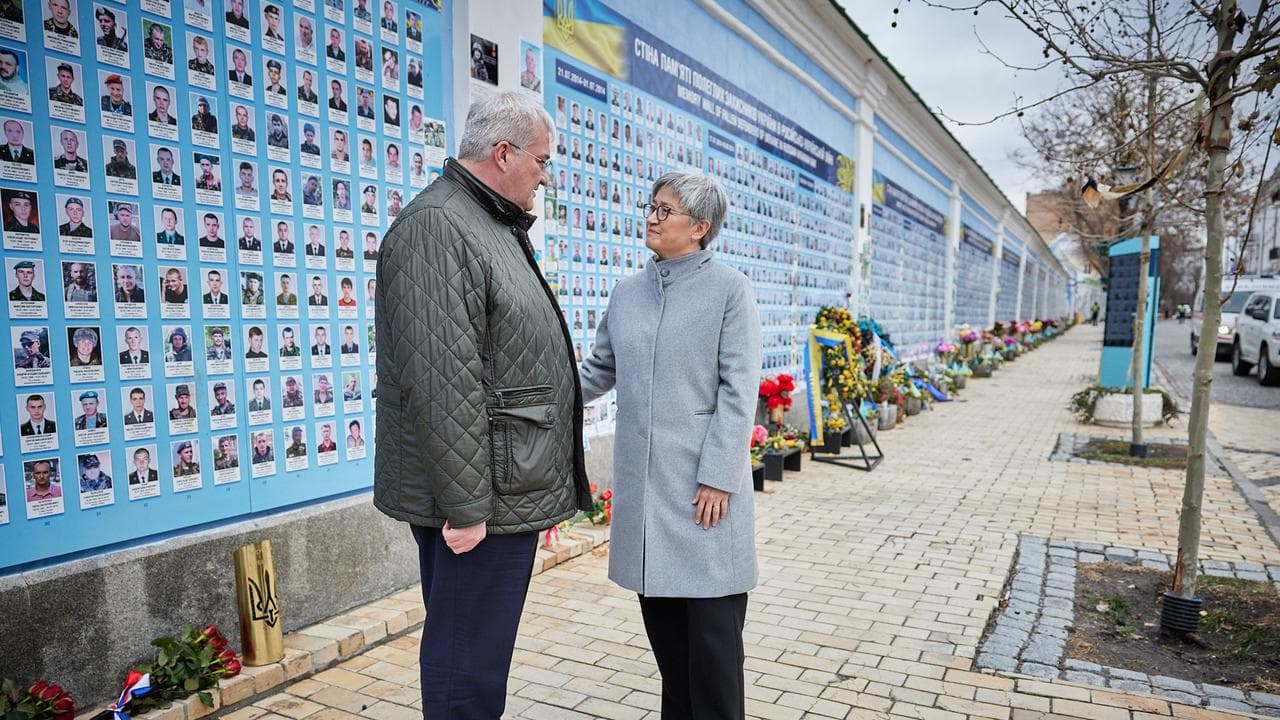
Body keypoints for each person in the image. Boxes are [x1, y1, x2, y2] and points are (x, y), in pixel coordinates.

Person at [373, 91, 589, 717]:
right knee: (464, 665)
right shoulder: (440, 227)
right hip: (477, 502)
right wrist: (469, 510)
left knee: (479, 661)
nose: (545, 176)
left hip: (500, 486)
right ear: (503, 152)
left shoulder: (485, 221)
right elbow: (445, 383)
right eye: (542, 161)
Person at [578, 169, 760, 719]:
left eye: (666, 210)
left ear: (700, 227)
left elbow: (738, 389)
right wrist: (532, 397)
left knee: (713, 654)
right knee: (670, 656)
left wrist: (718, 476)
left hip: (705, 496)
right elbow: (596, 371)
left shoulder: (730, 290)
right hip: (646, 498)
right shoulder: (628, 293)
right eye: (652, 206)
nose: (652, 217)